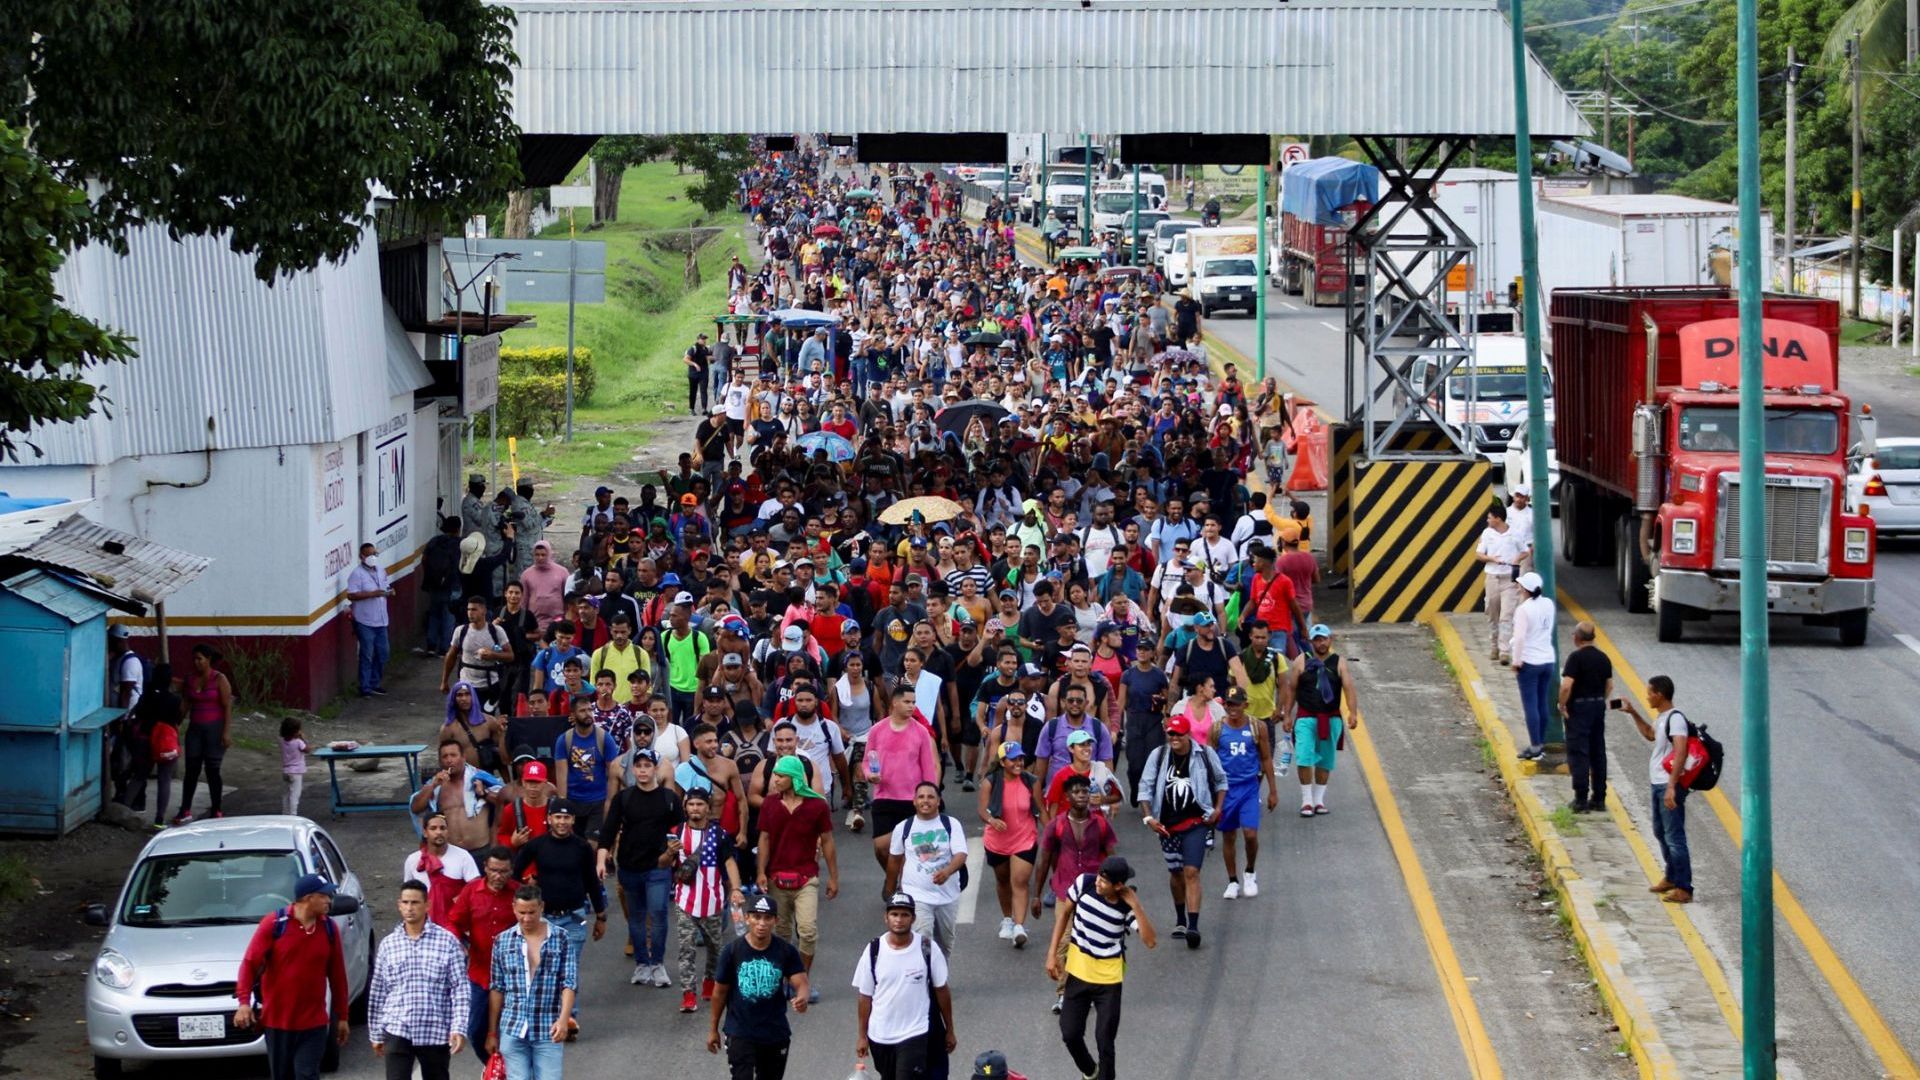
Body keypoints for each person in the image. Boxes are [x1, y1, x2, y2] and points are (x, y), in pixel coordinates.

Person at [1045, 856, 1155, 1080]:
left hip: (1108, 981)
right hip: (1077, 973)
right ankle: (1090, 1071)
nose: (1098, 883)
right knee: (1070, 1033)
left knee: (1105, 1041)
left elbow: (1150, 941)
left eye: (1104, 882)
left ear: (1118, 886)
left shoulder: (1125, 908)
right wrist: (1052, 954)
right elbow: (1065, 914)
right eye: (1099, 877)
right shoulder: (1084, 884)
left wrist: (1136, 905)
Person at [232, 874, 350, 1080]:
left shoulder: (329, 928)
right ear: (307, 898)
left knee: (307, 1074)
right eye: (324, 896)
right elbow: (250, 963)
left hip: (314, 1024)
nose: (329, 901)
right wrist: (244, 1002)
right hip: (278, 1023)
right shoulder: (275, 924)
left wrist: (343, 1017)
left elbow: (338, 975)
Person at [509, 801, 607, 1035]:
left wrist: (601, 915)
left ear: (573, 820)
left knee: (568, 969)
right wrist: (525, 886)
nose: (562, 822)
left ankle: (569, 1019)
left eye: (567, 818)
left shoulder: (582, 848)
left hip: (574, 917)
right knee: (545, 968)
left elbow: (592, 882)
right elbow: (514, 874)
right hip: (545, 919)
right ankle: (549, 1016)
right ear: (549, 820)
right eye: (557, 818)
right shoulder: (536, 846)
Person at [597, 748, 684, 989]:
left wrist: (670, 855)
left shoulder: (669, 798)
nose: (643, 770)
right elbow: (609, 830)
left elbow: (680, 830)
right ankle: (642, 963)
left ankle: (657, 963)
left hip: (658, 867)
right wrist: (601, 859)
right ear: (633, 770)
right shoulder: (623, 798)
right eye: (639, 766)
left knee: (657, 915)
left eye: (648, 765)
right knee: (635, 918)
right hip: (629, 866)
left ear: (656, 769)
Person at [1135, 715, 1226, 948]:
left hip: (1196, 822)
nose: (1174, 738)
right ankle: (1180, 919)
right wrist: (1149, 818)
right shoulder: (1159, 756)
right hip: (1166, 826)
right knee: (1176, 873)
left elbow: (1221, 781)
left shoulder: (1204, 754)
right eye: (1171, 734)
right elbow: (1144, 787)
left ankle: (1193, 926)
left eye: (1179, 734)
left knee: (1191, 871)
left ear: (1188, 735)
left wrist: (1217, 809)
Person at [1032, 773, 1118, 1014]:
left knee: (1089, 943)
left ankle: (1089, 990)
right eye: (1076, 792)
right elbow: (1044, 859)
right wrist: (1037, 895)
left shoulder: (1100, 823)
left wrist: (1119, 887)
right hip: (1065, 891)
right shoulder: (1056, 824)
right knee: (1064, 941)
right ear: (1068, 797)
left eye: (1085, 792)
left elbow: (1113, 856)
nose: (1082, 796)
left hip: (1095, 893)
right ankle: (1063, 994)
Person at [756, 755, 839, 1000]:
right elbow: (764, 839)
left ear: (794, 778)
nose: (775, 780)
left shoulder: (817, 806)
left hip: (807, 878)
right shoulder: (770, 804)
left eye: (781, 776)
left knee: (808, 930)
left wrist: (834, 877)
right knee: (781, 934)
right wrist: (761, 871)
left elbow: (827, 841)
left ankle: (802, 980)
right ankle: (784, 979)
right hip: (776, 878)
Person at [367, 879, 468, 1080]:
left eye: (415, 903)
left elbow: (460, 989)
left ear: (427, 905)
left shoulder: (447, 941)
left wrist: (458, 1027)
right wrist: (376, 1032)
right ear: (399, 905)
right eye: (405, 903)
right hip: (397, 1028)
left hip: (435, 1029)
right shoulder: (389, 945)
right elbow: (378, 990)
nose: (409, 908)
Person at [853, 893, 956, 1080]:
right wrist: (862, 1035)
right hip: (880, 1035)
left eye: (904, 915)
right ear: (886, 917)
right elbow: (865, 996)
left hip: (915, 1032)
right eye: (894, 914)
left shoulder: (927, 948)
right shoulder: (873, 950)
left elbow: (942, 990)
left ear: (913, 918)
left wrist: (949, 1029)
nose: (899, 920)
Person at [708, 893, 810, 1078]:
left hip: (774, 1032)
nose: (761, 923)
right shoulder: (732, 952)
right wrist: (713, 1029)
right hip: (740, 1032)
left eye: (767, 918)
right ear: (747, 918)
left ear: (775, 921)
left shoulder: (786, 951)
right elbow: (719, 993)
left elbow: (801, 981)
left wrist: (802, 996)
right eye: (756, 917)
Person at [487, 883, 578, 1080]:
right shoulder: (502, 941)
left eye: (531, 912)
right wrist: (492, 1032)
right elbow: (497, 988)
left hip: (547, 1027)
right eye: (521, 913)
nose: (526, 918)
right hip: (513, 1027)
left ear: (542, 907)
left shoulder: (561, 938)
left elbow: (569, 982)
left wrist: (563, 1020)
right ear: (513, 908)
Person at [1619, 676, 1695, 904]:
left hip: (1667, 785)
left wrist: (1672, 786)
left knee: (1674, 836)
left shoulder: (1676, 719)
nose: (1647, 696)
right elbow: (1650, 735)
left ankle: (1684, 887)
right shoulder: (1662, 719)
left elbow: (1680, 751)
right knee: (1660, 832)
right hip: (1658, 783)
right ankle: (1671, 877)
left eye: (1650, 692)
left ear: (1660, 694)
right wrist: (1633, 712)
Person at [669, 786, 745, 1013]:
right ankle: (688, 993)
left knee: (716, 948)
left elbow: (729, 862)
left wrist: (736, 889)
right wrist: (668, 852)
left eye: (700, 804)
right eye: (691, 804)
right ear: (685, 807)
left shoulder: (719, 835)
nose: (695, 808)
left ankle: (710, 980)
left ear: (708, 808)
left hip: (712, 902)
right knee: (686, 948)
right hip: (684, 901)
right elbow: (663, 863)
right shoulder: (676, 831)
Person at [448, 847, 518, 1065]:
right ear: (485, 868)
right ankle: (493, 1069)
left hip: (513, 976)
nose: (498, 876)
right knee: (476, 1030)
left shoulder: (519, 892)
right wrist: (456, 942)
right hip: (480, 974)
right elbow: (454, 921)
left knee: (510, 1034)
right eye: (494, 870)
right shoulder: (471, 891)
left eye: (504, 871)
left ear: (511, 871)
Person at [863, 684, 942, 871]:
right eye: (907, 702)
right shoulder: (877, 730)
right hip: (884, 796)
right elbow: (867, 760)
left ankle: (903, 885)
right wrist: (870, 775)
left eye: (914, 702)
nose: (911, 706)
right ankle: (894, 878)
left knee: (913, 848)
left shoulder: (921, 732)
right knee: (882, 847)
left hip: (911, 799)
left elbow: (928, 768)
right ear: (895, 703)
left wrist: (931, 797)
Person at [1212, 686, 1278, 899]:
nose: (1233, 709)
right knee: (1229, 835)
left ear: (1245, 705)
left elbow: (1266, 758)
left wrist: (1272, 791)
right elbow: (1208, 761)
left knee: (1250, 834)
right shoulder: (1217, 730)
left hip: (1249, 787)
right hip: (1225, 789)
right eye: (1229, 704)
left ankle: (1250, 871)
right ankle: (1232, 881)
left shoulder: (1257, 727)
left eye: (1237, 704)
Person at [1288, 624, 1359, 817]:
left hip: (1330, 717)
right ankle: (1306, 800)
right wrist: (1287, 714)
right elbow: (1292, 688)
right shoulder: (1301, 661)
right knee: (1303, 757)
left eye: (1324, 639)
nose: (1321, 643)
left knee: (1325, 760)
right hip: (1306, 716)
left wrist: (1353, 713)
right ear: (1311, 642)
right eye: (1317, 639)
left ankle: (1319, 800)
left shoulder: (1339, 662)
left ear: (1330, 640)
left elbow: (1348, 687)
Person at [977, 740, 1039, 950]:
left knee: (1020, 881)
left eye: (1021, 758)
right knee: (1003, 881)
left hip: (1025, 839)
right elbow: (982, 810)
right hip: (998, 841)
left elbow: (1040, 809)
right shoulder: (990, 781)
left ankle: (1020, 927)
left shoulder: (1031, 781)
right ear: (1003, 762)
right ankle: (1007, 918)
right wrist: (992, 820)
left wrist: (1053, 831)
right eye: (1013, 759)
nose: (1019, 763)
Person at [409, 738, 503, 856]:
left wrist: (484, 793)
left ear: (463, 757)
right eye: (445, 756)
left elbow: (504, 802)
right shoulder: (436, 786)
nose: (449, 760)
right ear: (440, 761)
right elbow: (415, 808)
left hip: (481, 851)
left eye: (453, 755)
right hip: (450, 854)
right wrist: (433, 785)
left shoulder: (480, 778)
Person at [1559, 620, 1613, 813]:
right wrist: (1599, 700)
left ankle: (1580, 799)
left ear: (1577, 637)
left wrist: (1562, 704)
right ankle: (1599, 798)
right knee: (1598, 752)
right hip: (1598, 706)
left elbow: (1566, 686)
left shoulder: (1576, 658)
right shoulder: (1603, 658)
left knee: (1579, 752)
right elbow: (1609, 686)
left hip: (1579, 709)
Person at [176, 643, 232, 824]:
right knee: (191, 770)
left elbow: (227, 706)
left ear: (208, 660)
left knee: (212, 770)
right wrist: (176, 724)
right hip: (195, 730)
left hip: (214, 730)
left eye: (200, 659)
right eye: (194, 659)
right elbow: (185, 704)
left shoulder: (219, 679)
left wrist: (226, 732)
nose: (196, 662)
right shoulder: (190, 679)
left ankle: (216, 809)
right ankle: (185, 809)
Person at [553, 697, 621, 843]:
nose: (588, 714)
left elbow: (614, 774)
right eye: (582, 711)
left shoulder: (604, 738)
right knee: (573, 845)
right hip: (573, 802)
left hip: (598, 802)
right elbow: (561, 778)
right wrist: (564, 809)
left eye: (590, 709)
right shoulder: (564, 740)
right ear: (573, 715)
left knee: (592, 845)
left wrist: (611, 803)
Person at [403, 813, 481, 930]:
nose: (439, 832)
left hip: (455, 924)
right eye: (433, 828)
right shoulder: (413, 860)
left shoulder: (463, 856)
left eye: (443, 828)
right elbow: (407, 894)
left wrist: (460, 900)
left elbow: (476, 888)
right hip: (422, 924)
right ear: (425, 833)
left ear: (448, 831)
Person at [1509, 570, 1556, 761]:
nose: (1518, 587)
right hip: (1547, 659)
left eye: (1520, 585)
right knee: (1541, 702)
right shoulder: (1548, 604)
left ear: (1526, 590)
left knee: (1530, 705)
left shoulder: (1524, 609)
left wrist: (1516, 660)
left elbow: (1519, 638)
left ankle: (1535, 746)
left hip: (1529, 660)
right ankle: (1541, 742)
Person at [347, 541, 395, 698]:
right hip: (365, 620)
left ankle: (375, 683)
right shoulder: (357, 574)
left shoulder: (381, 570)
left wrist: (389, 591)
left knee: (383, 653)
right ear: (362, 556)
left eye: (375, 554)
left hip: (381, 619)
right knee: (367, 654)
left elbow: (385, 586)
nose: (373, 557)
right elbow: (351, 595)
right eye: (369, 555)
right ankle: (365, 687)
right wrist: (373, 594)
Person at [1474, 505, 1521, 664]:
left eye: (1489, 517)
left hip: (1509, 578)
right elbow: (1479, 554)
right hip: (1492, 577)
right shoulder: (1487, 534)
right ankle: (1494, 645)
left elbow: (1524, 551)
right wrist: (1492, 559)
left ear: (1498, 518)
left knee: (1507, 615)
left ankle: (1504, 650)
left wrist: (1516, 560)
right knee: (1493, 613)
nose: (1488, 520)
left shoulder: (1514, 533)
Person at [280, 717, 308, 816]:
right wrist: (303, 738)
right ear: (295, 731)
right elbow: (307, 749)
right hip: (296, 773)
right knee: (295, 795)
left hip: (286, 771)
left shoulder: (282, 741)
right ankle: (293, 815)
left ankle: (285, 814)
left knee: (286, 794)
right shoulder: (298, 742)